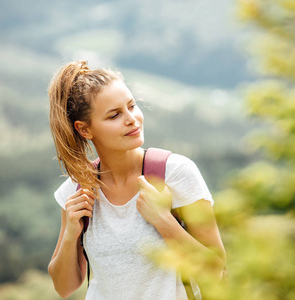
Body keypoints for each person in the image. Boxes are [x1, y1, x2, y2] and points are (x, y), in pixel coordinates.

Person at [47, 61, 226, 300]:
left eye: (131, 106)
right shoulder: (77, 188)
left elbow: (216, 269)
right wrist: (71, 233)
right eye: (115, 115)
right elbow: (64, 287)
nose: (132, 119)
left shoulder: (176, 173)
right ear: (85, 130)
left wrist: (164, 221)